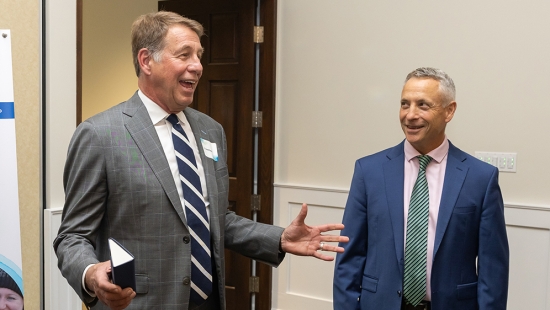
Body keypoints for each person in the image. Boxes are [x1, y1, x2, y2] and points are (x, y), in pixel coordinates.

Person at [54, 11, 348, 310]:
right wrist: (91, 274)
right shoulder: (100, 135)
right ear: (146, 61)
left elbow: (216, 218)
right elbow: (72, 237)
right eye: (184, 54)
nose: (197, 66)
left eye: (199, 55)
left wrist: (279, 238)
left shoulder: (210, 130)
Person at [333, 67, 509, 310]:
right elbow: (349, 258)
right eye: (405, 104)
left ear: (449, 111)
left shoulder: (481, 178)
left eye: (423, 105)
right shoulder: (369, 171)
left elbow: (493, 269)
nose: (410, 115)